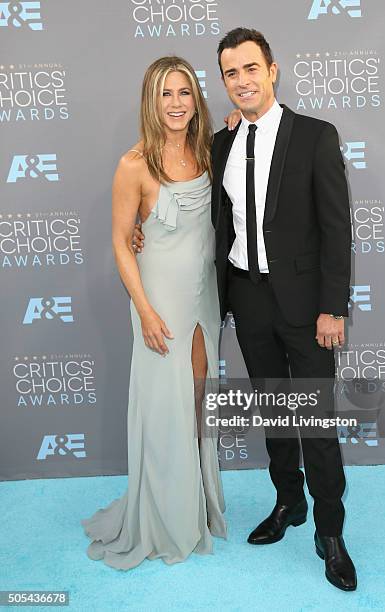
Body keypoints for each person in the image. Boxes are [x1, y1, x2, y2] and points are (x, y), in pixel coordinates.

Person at [134, 28, 357, 590]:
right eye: (231, 73)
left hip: (308, 309)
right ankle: (288, 504)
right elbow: (188, 209)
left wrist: (333, 308)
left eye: (251, 68)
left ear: (272, 70)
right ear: (225, 81)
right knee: (275, 415)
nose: (242, 81)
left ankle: (330, 531)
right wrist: (140, 232)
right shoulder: (222, 144)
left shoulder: (315, 136)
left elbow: (336, 229)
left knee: (315, 421)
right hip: (248, 298)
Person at [81, 56, 241, 570]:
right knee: (163, 408)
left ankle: (195, 506)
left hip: (202, 295)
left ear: (197, 100)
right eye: (165, 94)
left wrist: (235, 127)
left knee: (197, 402)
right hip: (158, 300)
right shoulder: (133, 164)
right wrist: (144, 311)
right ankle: (163, 517)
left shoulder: (210, 152)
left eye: (184, 93)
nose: (175, 103)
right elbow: (121, 244)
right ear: (151, 102)